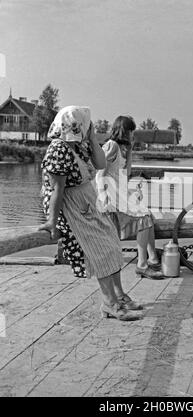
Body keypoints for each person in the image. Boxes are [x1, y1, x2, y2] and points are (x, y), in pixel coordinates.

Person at [38, 106, 142, 321]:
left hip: (86, 199)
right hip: (70, 204)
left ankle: (118, 296)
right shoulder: (59, 149)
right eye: (87, 124)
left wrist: (92, 138)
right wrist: (51, 221)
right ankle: (110, 303)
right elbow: (57, 189)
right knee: (100, 249)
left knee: (112, 242)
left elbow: (101, 163)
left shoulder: (78, 145)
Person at [95, 115, 163, 279]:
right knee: (144, 217)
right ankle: (142, 264)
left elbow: (126, 175)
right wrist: (103, 195)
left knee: (147, 216)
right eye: (131, 131)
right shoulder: (111, 146)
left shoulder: (123, 149)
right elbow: (99, 174)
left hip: (120, 192)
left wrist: (130, 151)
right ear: (124, 131)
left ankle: (152, 259)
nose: (133, 134)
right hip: (110, 193)